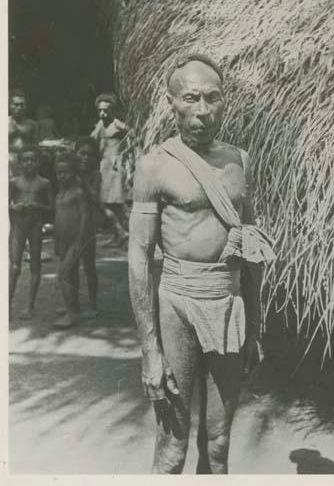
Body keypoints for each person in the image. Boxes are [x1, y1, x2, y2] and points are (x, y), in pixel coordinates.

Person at [128, 55, 274, 474]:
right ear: (171, 102)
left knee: (219, 444)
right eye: (191, 98)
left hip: (227, 308)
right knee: (172, 449)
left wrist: (255, 329)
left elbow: (248, 249)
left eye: (213, 98)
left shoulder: (239, 162)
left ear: (224, 101)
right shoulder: (154, 166)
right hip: (177, 306)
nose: (203, 111)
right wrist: (150, 353)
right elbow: (139, 258)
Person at [9, 145, 53, 320]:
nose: (29, 163)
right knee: (14, 266)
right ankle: (8, 303)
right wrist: (13, 207)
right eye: (26, 160)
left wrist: (38, 206)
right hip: (17, 226)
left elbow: (51, 208)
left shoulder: (44, 183)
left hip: (35, 226)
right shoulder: (13, 182)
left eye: (33, 160)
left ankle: (30, 306)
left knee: (35, 264)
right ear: (20, 163)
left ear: (39, 163)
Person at [53, 151, 90, 329]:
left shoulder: (78, 193)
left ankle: (71, 315)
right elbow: (57, 217)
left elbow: (84, 218)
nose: (61, 176)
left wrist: (80, 242)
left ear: (74, 172)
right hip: (62, 241)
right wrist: (55, 241)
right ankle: (73, 307)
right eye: (58, 172)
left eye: (65, 172)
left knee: (64, 276)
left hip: (75, 240)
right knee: (72, 275)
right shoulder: (60, 193)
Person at [91, 93, 129, 247]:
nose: (103, 113)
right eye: (100, 110)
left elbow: (134, 136)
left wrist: (124, 154)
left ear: (112, 110)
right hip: (103, 165)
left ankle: (123, 233)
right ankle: (118, 235)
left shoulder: (117, 124)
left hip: (114, 165)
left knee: (114, 203)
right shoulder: (100, 125)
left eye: (106, 110)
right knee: (106, 201)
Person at [74, 136, 101, 318]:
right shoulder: (67, 172)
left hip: (88, 226)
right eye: (81, 153)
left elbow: (94, 196)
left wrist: (82, 179)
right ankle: (72, 303)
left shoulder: (95, 175)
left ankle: (92, 304)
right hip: (70, 225)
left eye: (89, 154)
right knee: (70, 267)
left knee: (89, 265)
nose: (85, 157)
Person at [9, 89, 38, 178]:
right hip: (8, 160)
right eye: (16, 104)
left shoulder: (32, 124)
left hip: (27, 162)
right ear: (10, 105)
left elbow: (36, 146)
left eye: (22, 105)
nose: (19, 108)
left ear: (26, 106)